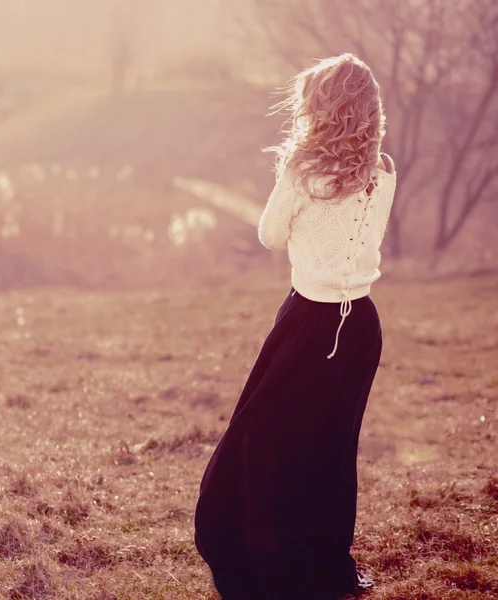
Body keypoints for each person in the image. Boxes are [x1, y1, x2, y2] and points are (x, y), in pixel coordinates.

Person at [193, 53, 397, 600]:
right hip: (362, 328)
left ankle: (262, 553)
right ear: (369, 110)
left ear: (322, 108)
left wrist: (292, 172)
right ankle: (319, 554)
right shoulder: (384, 171)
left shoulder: (304, 169)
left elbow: (269, 235)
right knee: (331, 447)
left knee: (262, 439)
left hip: (310, 324)